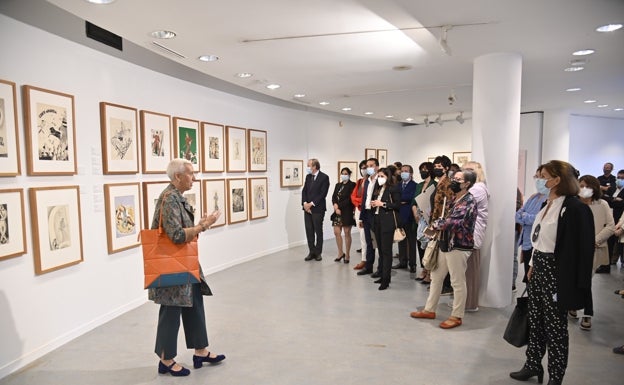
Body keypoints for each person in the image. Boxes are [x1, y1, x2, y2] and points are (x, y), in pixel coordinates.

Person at [510, 160, 594, 385]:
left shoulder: (576, 208)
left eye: (543, 176)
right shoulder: (545, 203)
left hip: (558, 273)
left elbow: (581, 251)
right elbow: (540, 240)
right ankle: (532, 364)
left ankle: (556, 376)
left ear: (557, 180)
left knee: (556, 328)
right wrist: (531, 267)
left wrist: (576, 286)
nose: (539, 180)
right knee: (535, 320)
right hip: (539, 268)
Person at [150, 158, 225, 377]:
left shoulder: (177, 198)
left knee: (194, 303)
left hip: (185, 262)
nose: (194, 178)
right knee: (171, 310)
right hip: (172, 265)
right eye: (191, 174)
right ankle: (166, 359)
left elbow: (182, 230)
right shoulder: (169, 199)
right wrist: (203, 226)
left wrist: (197, 226)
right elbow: (176, 235)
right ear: (177, 177)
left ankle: (200, 350)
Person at [410, 170, 477, 328]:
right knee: (436, 277)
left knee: (457, 281)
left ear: (467, 183)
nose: (454, 181)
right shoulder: (454, 198)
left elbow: (455, 221)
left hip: (458, 246)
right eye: (454, 177)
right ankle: (429, 309)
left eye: (458, 179)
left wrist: (436, 224)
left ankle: (457, 315)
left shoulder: (469, 200)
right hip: (445, 242)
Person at [569, 175, 614, 330]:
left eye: (587, 186)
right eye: (580, 185)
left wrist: (594, 240)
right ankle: (573, 306)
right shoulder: (574, 204)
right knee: (574, 279)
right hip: (574, 250)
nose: (583, 189)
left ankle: (587, 313)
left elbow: (610, 225)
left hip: (594, 249)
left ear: (594, 188)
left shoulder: (602, 204)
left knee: (585, 281)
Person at [462, 161, 489, 312]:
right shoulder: (473, 188)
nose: (467, 172)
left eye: (470, 170)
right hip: (467, 233)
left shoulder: (477, 189)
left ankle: (470, 303)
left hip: (471, 234)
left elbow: (461, 205)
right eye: (464, 170)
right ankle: (464, 301)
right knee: (465, 271)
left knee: (470, 270)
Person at [370, 168, 402, 290]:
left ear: (388, 177)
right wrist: (374, 204)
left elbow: (397, 205)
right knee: (381, 251)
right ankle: (382, 275)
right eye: (379, 176)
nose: (379, 178)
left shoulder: (393, 188)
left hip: (387, 222)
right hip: (377, 221)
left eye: (382, 176)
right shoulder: (378, 188)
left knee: (386, 251)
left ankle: (386, 279)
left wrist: (382, 204)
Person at [516, 167, 548, 284]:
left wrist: (524, 216)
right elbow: (518, 215)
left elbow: (539, 220)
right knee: (528, 278)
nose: (538, 180)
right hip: (527, 242)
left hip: (538, 244)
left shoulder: (549, 199)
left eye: (542, 177)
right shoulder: (534, 197)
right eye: (537, 177)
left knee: (535, 280)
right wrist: (525, 216)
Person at [428, 155, 454, 295]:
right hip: (435, 221)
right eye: (435, 167)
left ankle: (446, 285)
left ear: (446, 168)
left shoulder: (448, 184)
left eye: (440, 167)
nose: (437, 169)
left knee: (443, 253)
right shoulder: (438, 183)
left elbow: (449, 206)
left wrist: (440, 222)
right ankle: (439, 283)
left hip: (442, 224)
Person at [412, 161, 437, 282]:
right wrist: (415, 213)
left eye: (425, 169)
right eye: (421, 169)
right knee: (420, 243)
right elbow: (414, 201)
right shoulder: (419, 185)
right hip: (419, 218)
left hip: (429, 218)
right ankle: (423, 269)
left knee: (429, 245)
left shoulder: (435, 184)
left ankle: (430, 271)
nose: (423, 172)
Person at [302, 158, 330, 261]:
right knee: (309, 231)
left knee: (318, 231)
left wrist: (311, 204)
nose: (307, 167)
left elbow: (323, 194)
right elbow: (304, 191)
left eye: (309, 165)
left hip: (318, 209)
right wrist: (305, 204)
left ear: (314, 166)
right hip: (307, 209)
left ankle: (318, 253)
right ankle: (311, 252)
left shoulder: (324, 177)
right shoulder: (308, 176)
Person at [357, 158, 379, 276]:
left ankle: (381, 269)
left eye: (371, 165)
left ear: (377, 167)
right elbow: (364, 199)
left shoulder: (380, 180)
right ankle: (369, 266)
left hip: (376, 215)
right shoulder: (366, 181)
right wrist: (361, 217)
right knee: (368, 241)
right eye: (367, 166)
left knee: (379, 243)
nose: (369, 168)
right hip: (366, 214)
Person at [394, 164, 418, 272]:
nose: (403, 173)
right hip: (399, 216)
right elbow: (395, 198)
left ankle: (412, 264)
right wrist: (402, 200)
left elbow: (412, 198)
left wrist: (402, 200)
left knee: (412, 241)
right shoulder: (397, 185)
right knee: (401, 239)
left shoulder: (415, 186)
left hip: (410, 217)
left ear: (411, 174)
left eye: (406, 171)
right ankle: (402, 261)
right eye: (402, 171)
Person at [332, 167, 356, 263]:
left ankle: (348, 255)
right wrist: (335, 205)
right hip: (337, 212)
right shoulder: (338, 185)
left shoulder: (352, 185)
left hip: (347, 212)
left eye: (346, 173)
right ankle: (340, 253)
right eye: (342, 173)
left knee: (347, 233)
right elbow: (334, 197)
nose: (344, 175)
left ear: (349, 175)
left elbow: (350, 199)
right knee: (337, 232)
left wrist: (339, 207)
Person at [351, 160, 368, 269]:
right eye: (362, 167)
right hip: (358, 210)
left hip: (366, 211)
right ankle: (364, 259)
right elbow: (353, 196)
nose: (364, 169)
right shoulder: (359, 181)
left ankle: (365, 260)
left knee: (365, 236)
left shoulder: (371, 182)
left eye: (366, 167)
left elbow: (365, 199)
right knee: (362, 237)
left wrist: (359, 201)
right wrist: (358, 202)